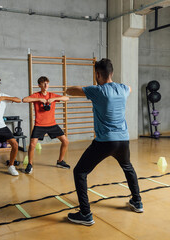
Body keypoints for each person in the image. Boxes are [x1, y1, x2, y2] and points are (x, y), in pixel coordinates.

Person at [65, 58, 143, 226]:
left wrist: (73, 89)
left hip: (105, 142)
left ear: (98, 74)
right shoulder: (123, 89)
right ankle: (137, 202)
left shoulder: (97, 90)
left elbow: (70, 90)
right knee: (128, 167)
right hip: (123, 140)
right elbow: (130, 88)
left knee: (80, 172)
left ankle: (85, 214)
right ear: (112, 73)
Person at [22, 76, 70, 174]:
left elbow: (67, 98)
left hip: (52, 124)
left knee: (65, 141)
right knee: (32, 145)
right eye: (43, 83)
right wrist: (39, 99)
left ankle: (60, 161)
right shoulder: (36, 95)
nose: (46, 85)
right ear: (39, 85)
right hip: (39, 125)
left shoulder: (52, 95)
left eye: (47, 83)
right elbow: (24, 100)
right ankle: (30, 164)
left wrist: (54, 99)